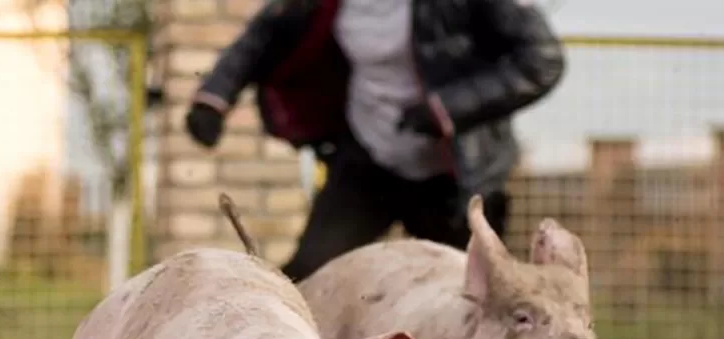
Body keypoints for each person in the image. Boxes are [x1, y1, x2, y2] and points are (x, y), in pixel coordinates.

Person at [183, 0, 566, 283]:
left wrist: (446, 109)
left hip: (457, 174)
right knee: (311, 276)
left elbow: (542, 59)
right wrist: (214, 99)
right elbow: (262, 35)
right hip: (369, 159)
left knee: (476, 295)